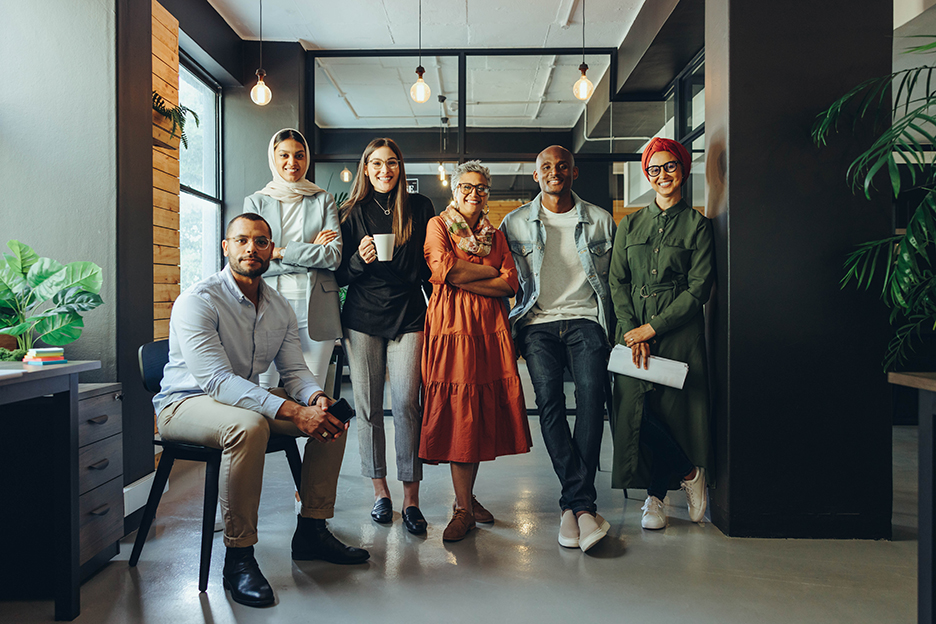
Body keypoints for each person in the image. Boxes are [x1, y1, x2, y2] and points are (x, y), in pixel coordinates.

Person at [153, 213, 369, 609]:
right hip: (184, 402)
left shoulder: (278, 306)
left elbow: (294, 370)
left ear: (272, 249)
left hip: (243, 398)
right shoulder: (198, 301)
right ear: (226, 247)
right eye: (241, 240)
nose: (251, 248)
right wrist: (291, 410)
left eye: (261, 241)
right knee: (249, 427)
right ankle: (238, 559)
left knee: (332, 415)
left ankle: (311, 529)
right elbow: (217, 381)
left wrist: (314, 398)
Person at [499, 145, 616, 552]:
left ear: (574, 172)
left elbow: (612, 281)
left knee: (591, 398)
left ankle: (574, 507)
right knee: (548, 400)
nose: (554, 172)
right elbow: (505, 282)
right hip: (538, 324)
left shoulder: (601, 220)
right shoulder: (513, 224)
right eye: (546, 167)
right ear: (536, 175)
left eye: (561, 166)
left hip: (586, 319)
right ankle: (583, 505)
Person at [420, 160, 533, 542]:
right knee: (459, 410)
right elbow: (445, 270)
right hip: (452, 330)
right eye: (466, 187)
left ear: (488, 193)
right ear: (454, 191)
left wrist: (468, 272)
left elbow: (511, 284)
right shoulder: (438, 226)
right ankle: (464, 508)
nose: (474, 193)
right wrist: (488, 273)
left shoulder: (495, 235)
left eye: (481, 188)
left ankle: (465, 500)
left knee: (480, 409)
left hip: (488, 329)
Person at [608, 137, 714, 530]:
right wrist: (633, 331)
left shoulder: (698, 226)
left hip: (679, 334)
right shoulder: (630, 224)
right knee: (636, 414)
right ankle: (689, 473)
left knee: (672, 413)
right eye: (655, 168)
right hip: (632, 332)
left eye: (670, 166)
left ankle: (656, 499)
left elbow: (699, 288)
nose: (663, 175)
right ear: (646, 175)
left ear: (683, 170)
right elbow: (617, 282)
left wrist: (653, 328)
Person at [336, 138, 435, 535]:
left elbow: (428, 267)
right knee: (368, 406)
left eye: (391, 162)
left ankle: (411, 498)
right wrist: (359, 260)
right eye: (376, 163)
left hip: (410, 316)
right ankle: (381, 491)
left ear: (400, 167)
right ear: (365, 167)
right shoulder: (350, 212)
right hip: (361, 319)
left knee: (408, 403)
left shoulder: (421, 207)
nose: (384, 170)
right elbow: (339, 274)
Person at [243, 128, 342, 392]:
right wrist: (309, 250)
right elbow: (253, 260)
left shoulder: (323, 200)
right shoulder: (256, 202)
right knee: (262, 390)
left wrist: (279, 251)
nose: (292, 163)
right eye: (284, 155)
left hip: (315, 308)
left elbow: (332, 256)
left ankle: (306, 436)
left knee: (312, 391)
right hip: (267, 304)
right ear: (273, 158)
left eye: (299, 155)